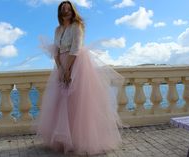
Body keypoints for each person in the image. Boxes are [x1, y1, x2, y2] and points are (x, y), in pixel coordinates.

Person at [34, 0, 125, 155]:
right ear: (60, 12)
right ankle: (63, 139)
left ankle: (78, 139)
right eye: (63, 9)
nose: (66, 11)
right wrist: (61, 69)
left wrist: (68, 70)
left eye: (69, 9)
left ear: (73, 11)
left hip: (76, 64)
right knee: (60, 102)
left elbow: (75, 49)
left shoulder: (77, 27)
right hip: (61, 65)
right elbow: (56, 50)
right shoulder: (58, 29)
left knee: (77, 102)